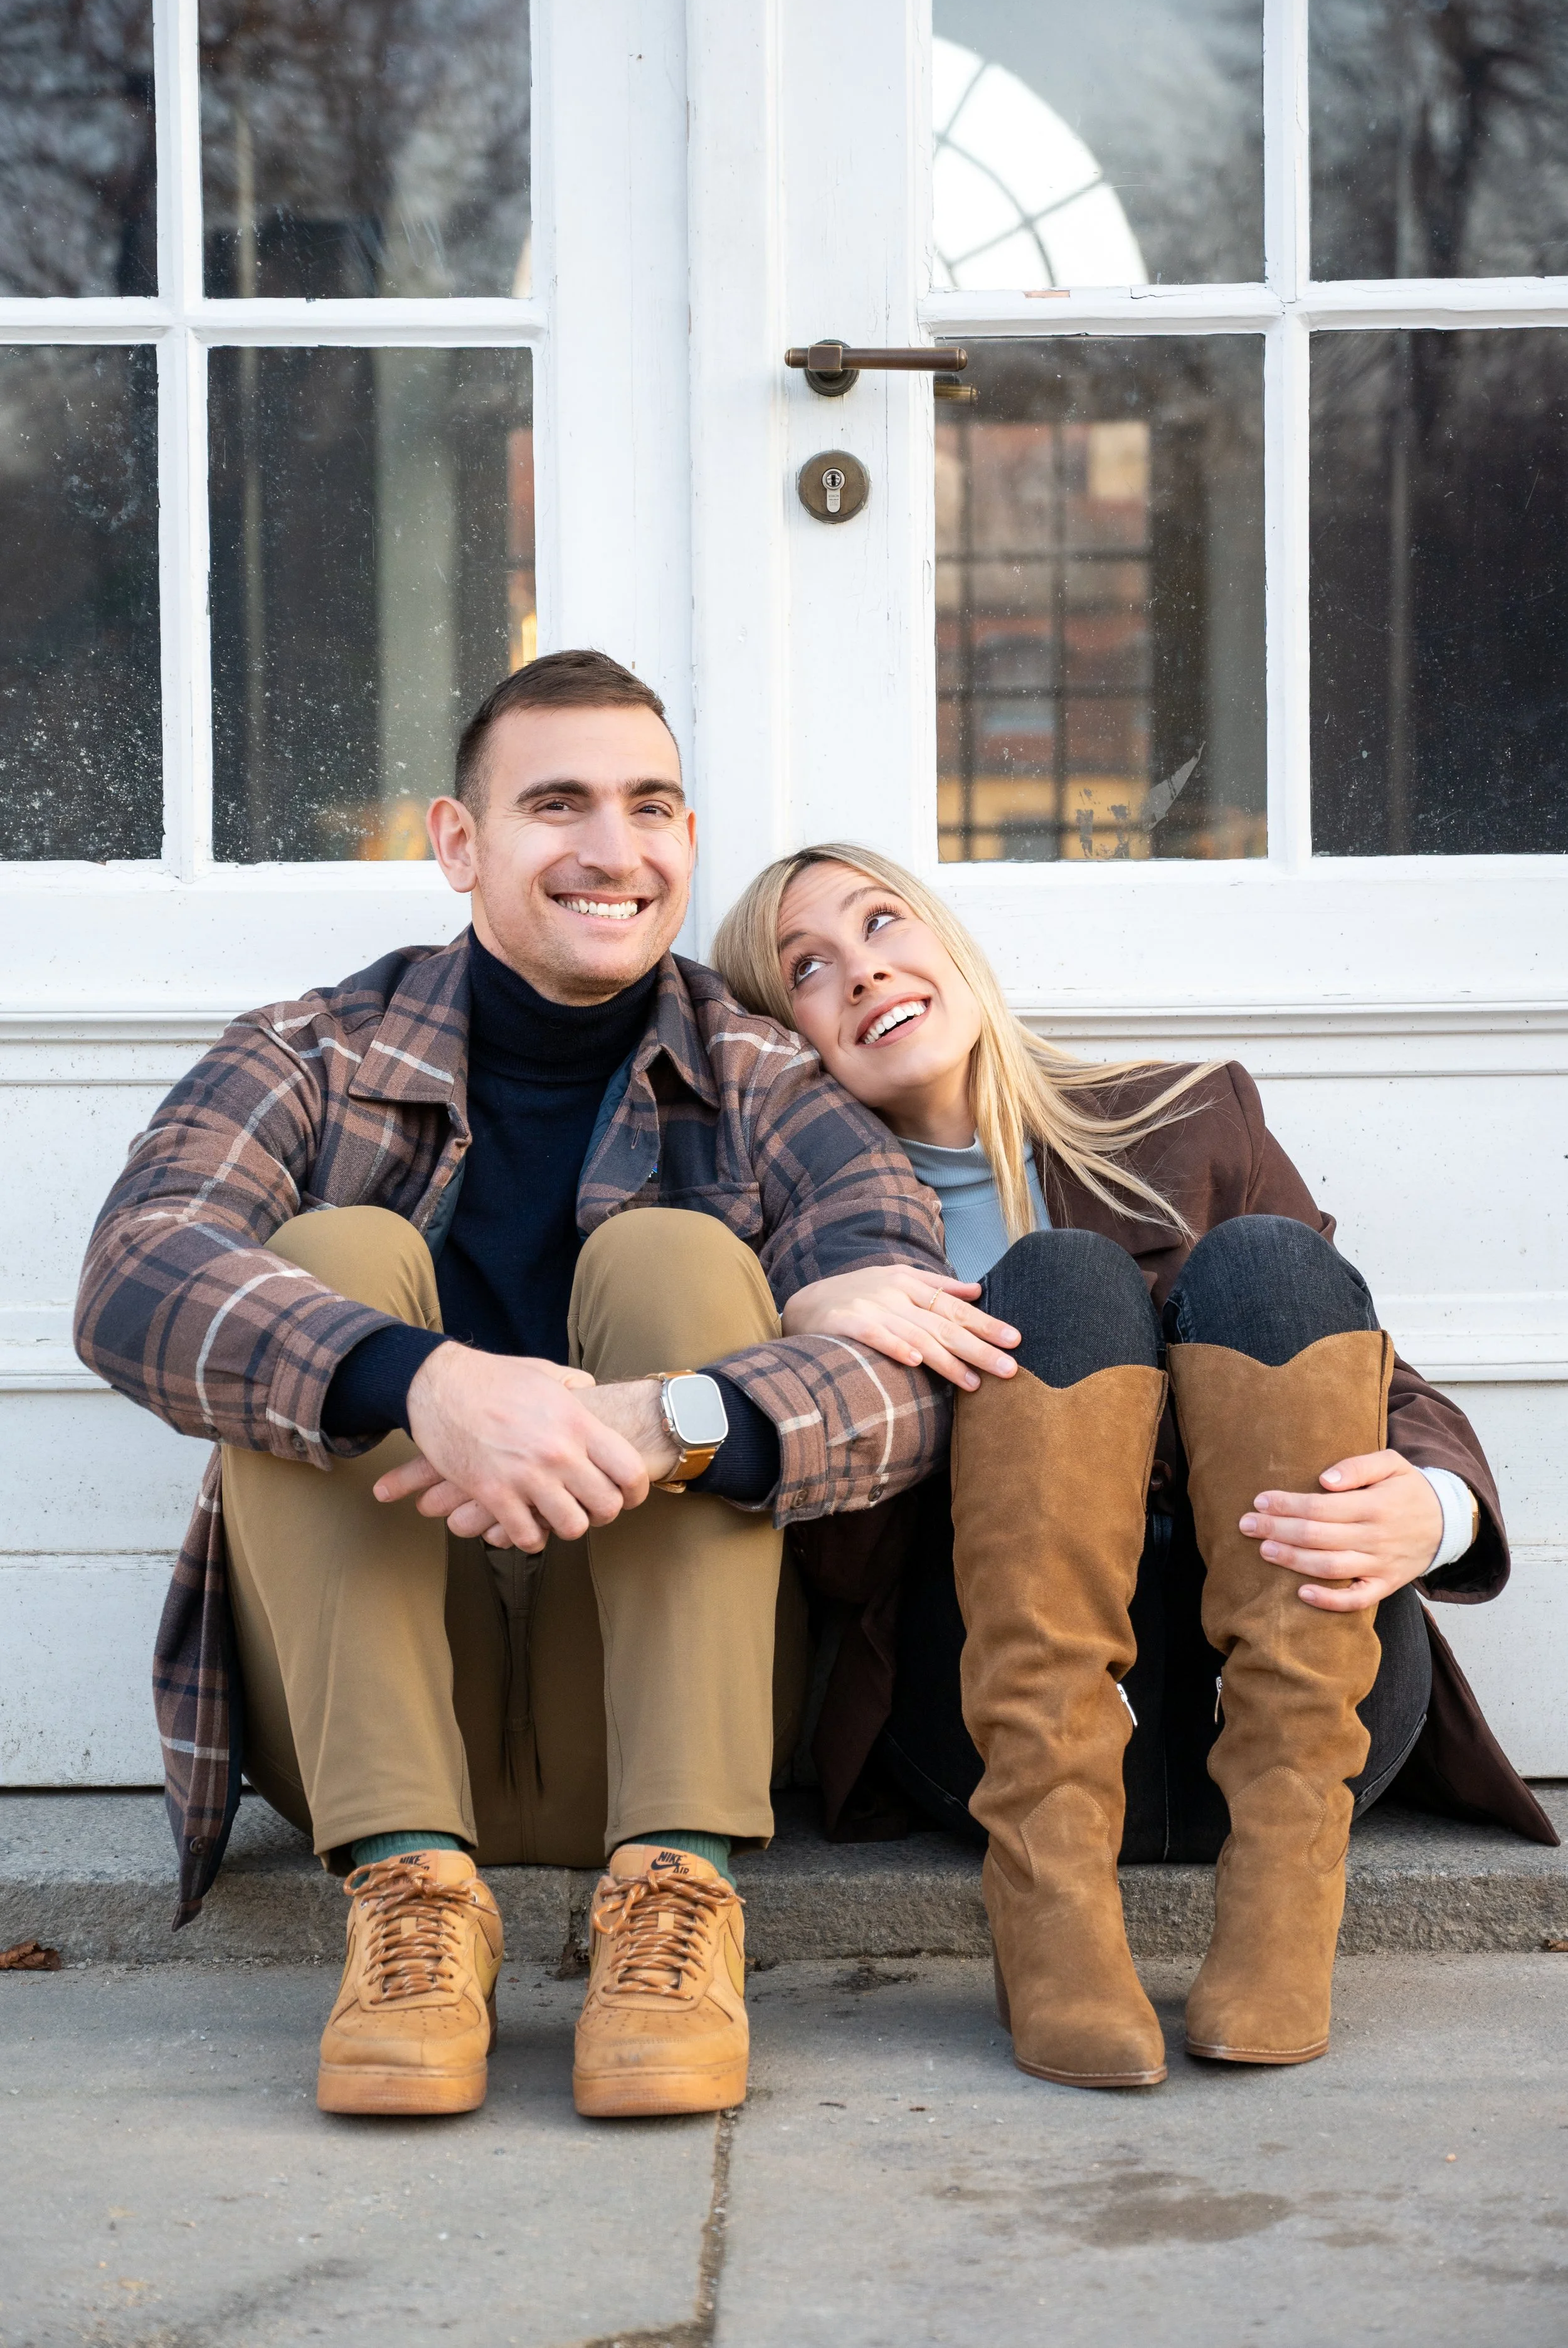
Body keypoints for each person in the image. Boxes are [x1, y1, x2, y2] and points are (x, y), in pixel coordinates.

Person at [74, 660, 952, 2123]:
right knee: (327, 1259)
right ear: (459, 843)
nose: (614, 850)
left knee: (675, 1257)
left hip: (671, 1716)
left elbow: (909, 1378)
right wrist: (418, 1382)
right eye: (559, 805)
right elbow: (135, 1273)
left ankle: (677, 1904)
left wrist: (661, 1422)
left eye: (649, 807)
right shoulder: (315, 1049)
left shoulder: (765, 1074)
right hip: (368, 1717)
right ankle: (411, 1907)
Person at [713, 842, 1555, 2090]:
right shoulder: (809, 1231)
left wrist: (1423, 1513)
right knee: (1056, 1287)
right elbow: (829, 1556)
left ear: (946, 940)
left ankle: (1283, 1897)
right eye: (807, 969)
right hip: (994, 1723)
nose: (863, 970)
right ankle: (1048, 1911)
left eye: (882, 922)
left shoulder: (1188, 1119)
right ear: (787, 1038)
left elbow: (1389, 1385)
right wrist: (813, 1322)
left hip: (1287, 1691)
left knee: (1267, 1262)